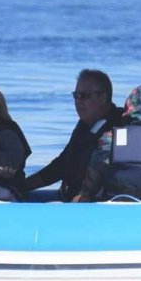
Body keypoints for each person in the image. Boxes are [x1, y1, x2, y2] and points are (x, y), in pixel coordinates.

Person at [24, 68, 124, 202]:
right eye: (76, 96)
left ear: (103, 98)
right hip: (71, 199)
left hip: (95, 205)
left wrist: (84, 198)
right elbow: (62, 165)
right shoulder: (85, 125)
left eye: (84, 96)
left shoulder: (119, 127)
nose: (78, 101)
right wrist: (24, 186)